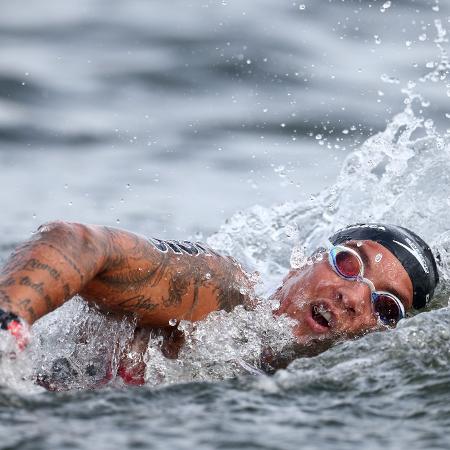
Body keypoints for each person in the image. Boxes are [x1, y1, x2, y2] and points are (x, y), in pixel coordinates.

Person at [0, 221, 439, 388]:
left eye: (386, 309)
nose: (354, 296)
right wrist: (9, 324)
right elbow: (81, 243)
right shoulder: (221, 299)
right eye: (348, 263)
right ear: (302, 265)